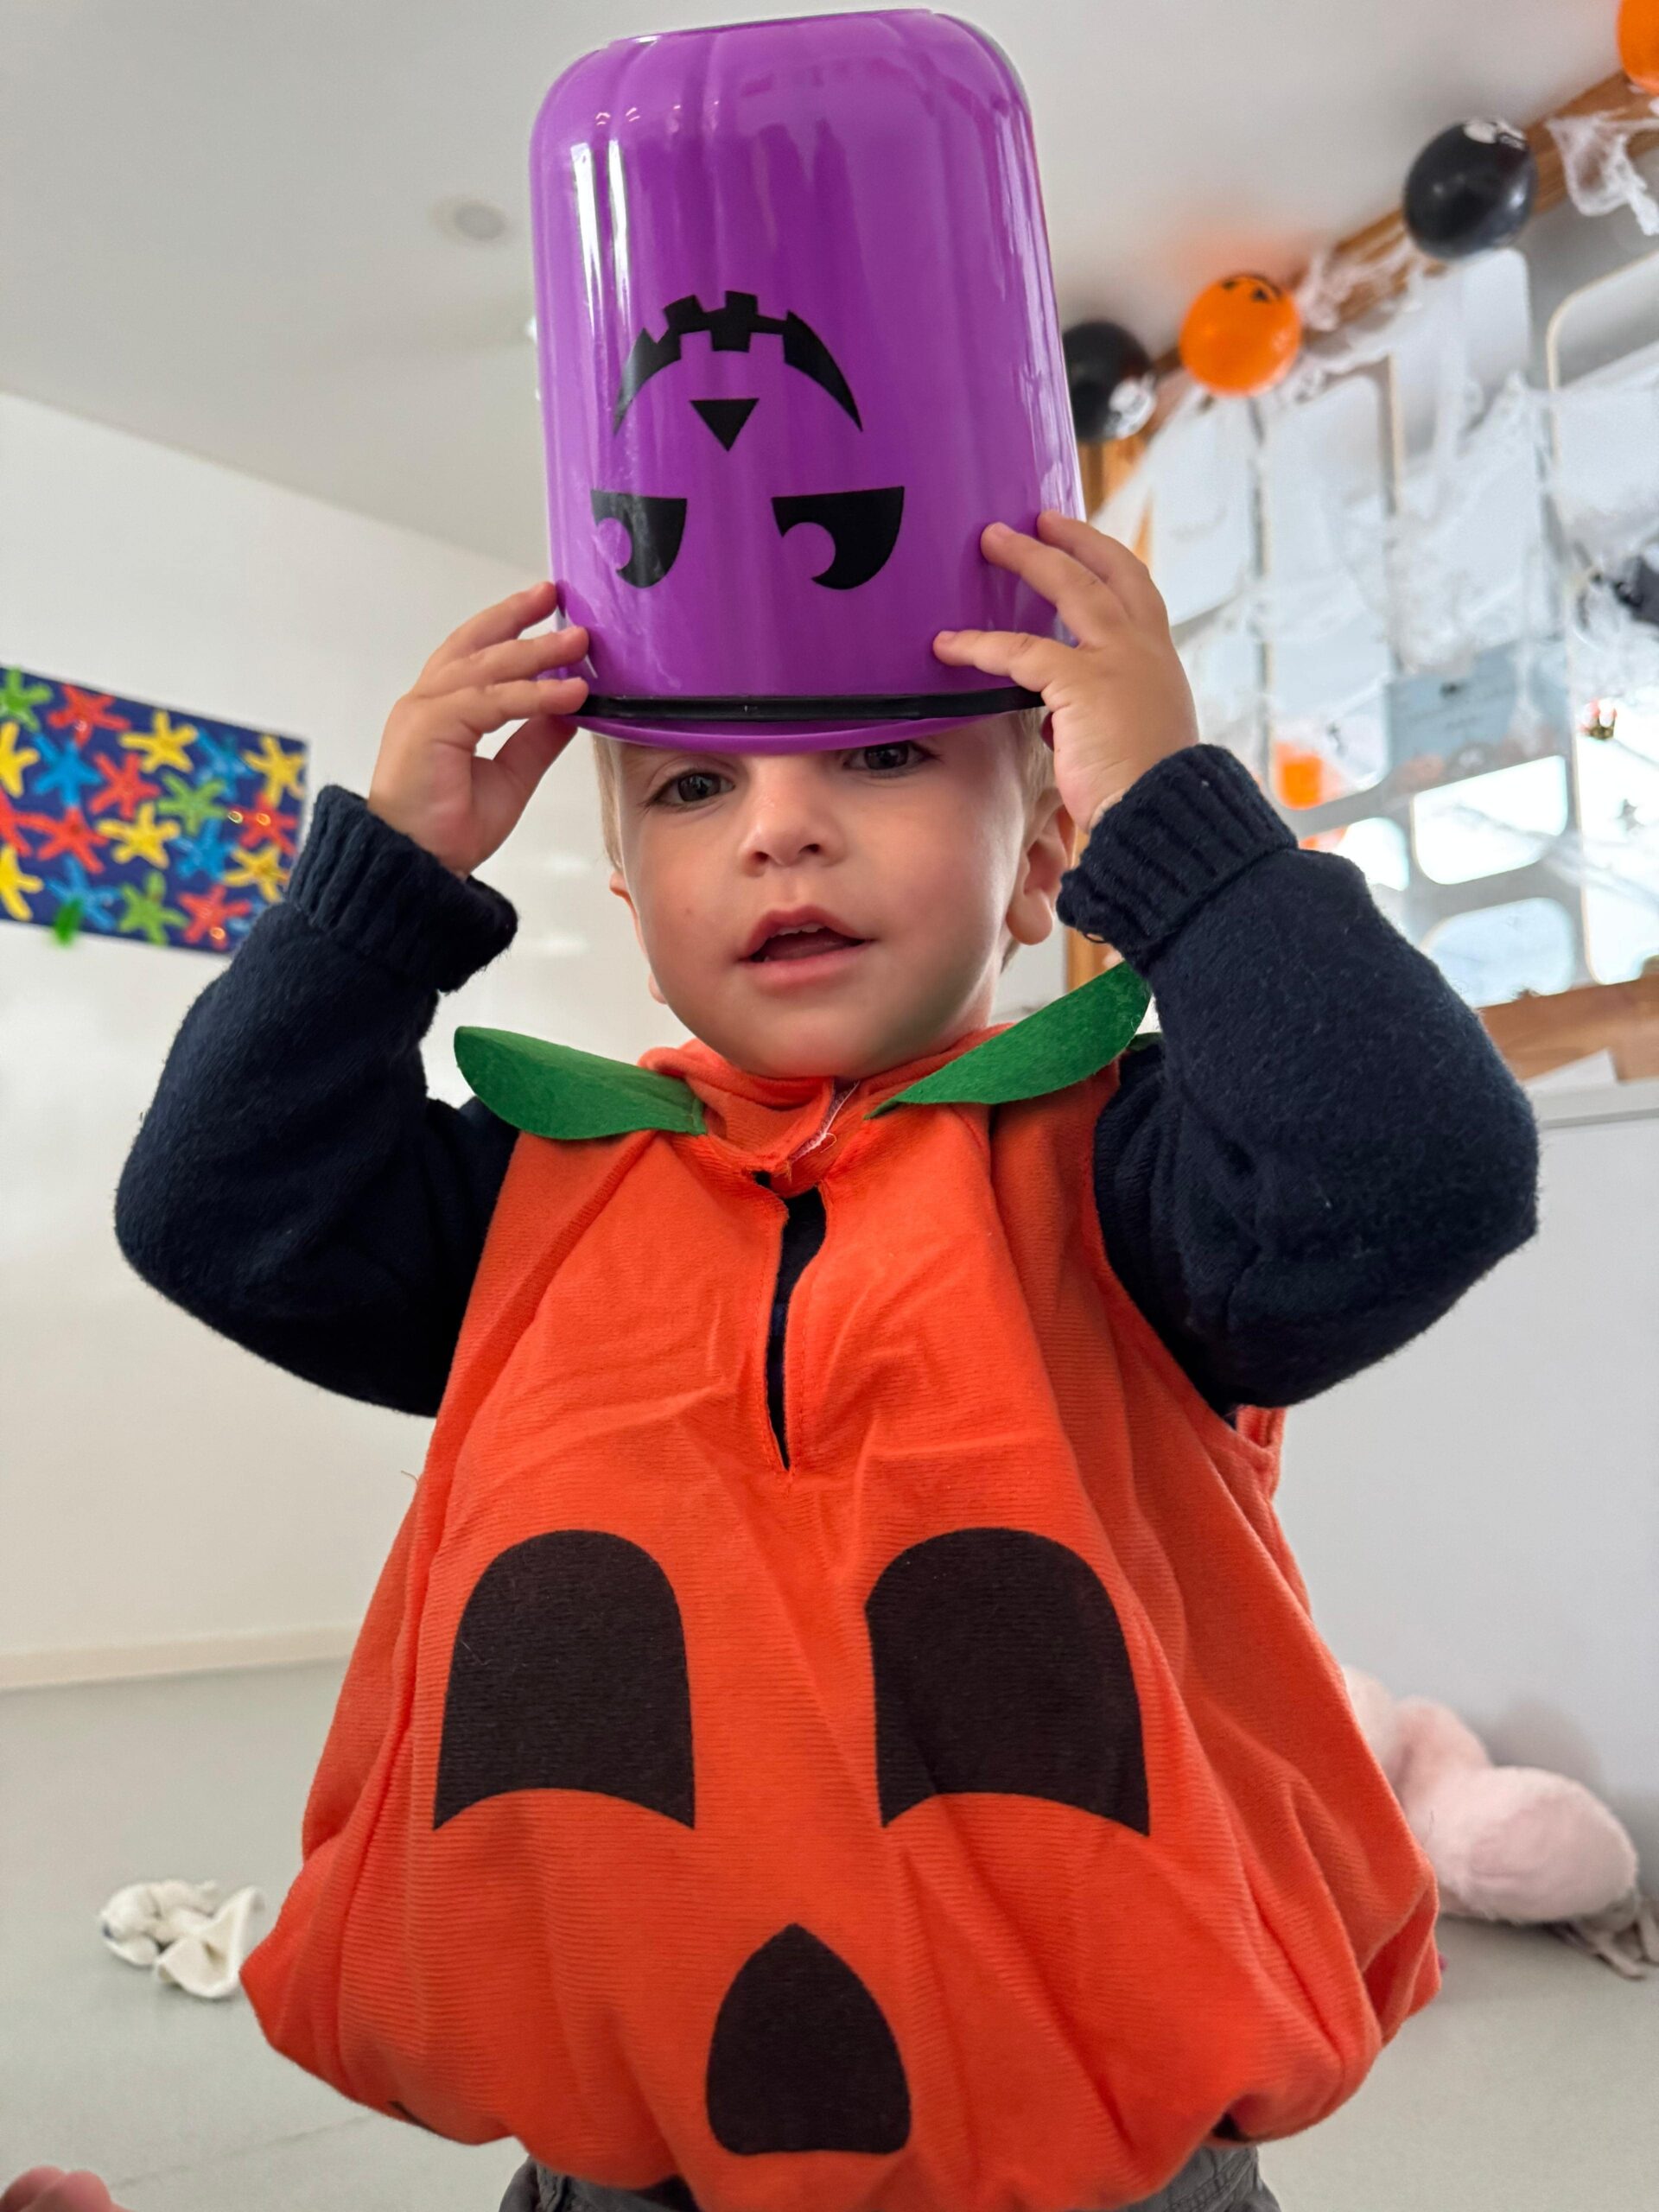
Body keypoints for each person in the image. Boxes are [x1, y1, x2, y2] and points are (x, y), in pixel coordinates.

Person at [115, 512, 1538, 2212]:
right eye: (692, 790)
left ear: (1042, 855)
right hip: (625, 2160)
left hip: (1089, 2163)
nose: (782, 827)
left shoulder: (1132, 1181)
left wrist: (1178, 820)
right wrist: (388, 886)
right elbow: (215, 1206)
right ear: (632, 888)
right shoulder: (529, 1193)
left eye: (881, 755)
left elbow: (1415, 1172)